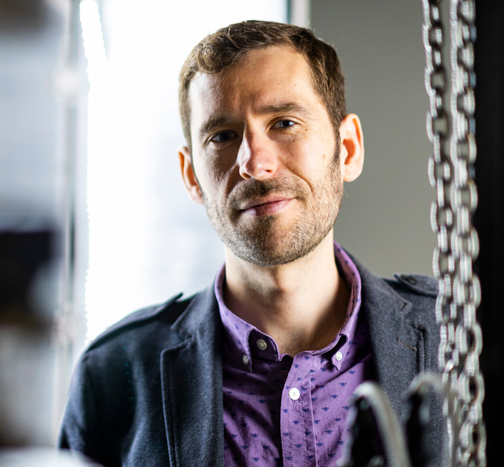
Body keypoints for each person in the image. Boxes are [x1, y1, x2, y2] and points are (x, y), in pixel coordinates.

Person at [59, 20, 442, 466]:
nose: (254, 162)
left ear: (349, 149)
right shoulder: (112, 376)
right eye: (223, 136)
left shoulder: (453, 336)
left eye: (284, 122)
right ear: (192, 177)